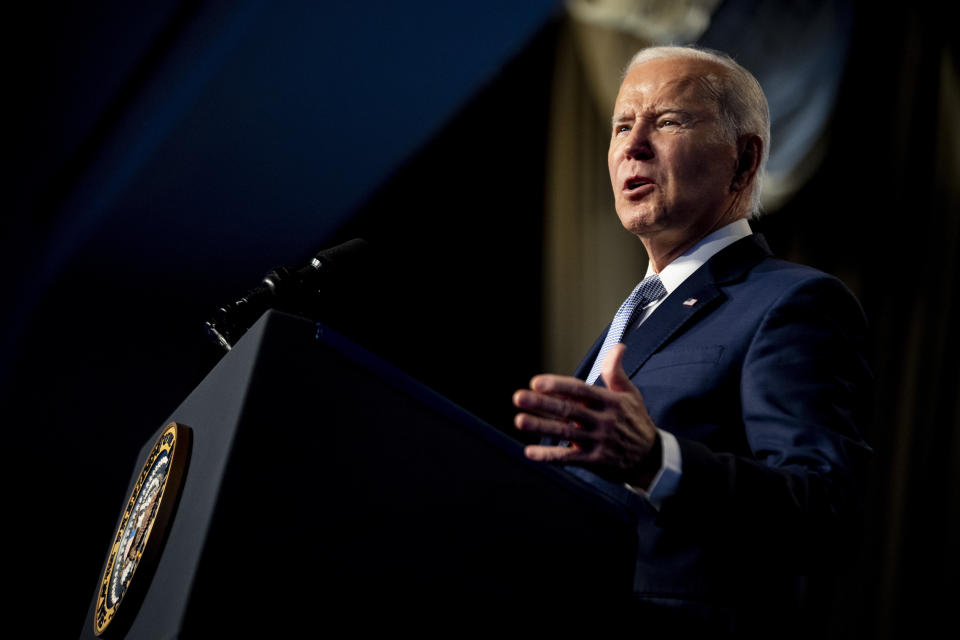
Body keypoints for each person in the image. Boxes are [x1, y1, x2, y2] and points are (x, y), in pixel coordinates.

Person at [512, 46, 871, 631]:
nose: (633, 145)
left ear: (744, 160)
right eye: (622, 124)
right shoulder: (636, 313)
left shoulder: (794, 303)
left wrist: (658, 460)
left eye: (669, 120)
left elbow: (825, 516)